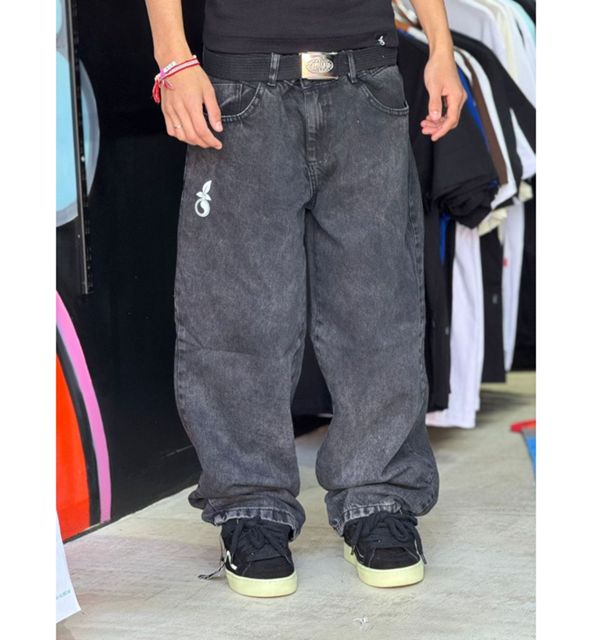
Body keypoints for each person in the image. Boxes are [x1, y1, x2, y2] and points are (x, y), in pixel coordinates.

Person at [144, 0, 466, 598]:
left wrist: (441, 47)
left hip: (367, 79)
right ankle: (251, 506)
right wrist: (173, 59)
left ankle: (380, 498)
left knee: (378, 308)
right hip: (240, 84)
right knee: (239, 315)